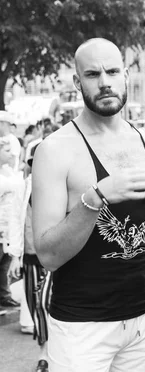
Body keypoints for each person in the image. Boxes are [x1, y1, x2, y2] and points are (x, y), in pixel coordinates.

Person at [31, 38, 145, 371]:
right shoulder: (55, 151)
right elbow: (49, 255)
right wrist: (95, 199)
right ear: (77, 82)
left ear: (125, 75)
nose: (105, 82)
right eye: (93, 74)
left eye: (112, 71)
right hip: (82, 328)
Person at [8, 143, 51, 372]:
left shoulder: (61, 184)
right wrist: (15, 256)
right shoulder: (24, 187)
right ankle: (44, 353)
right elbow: (16, 220)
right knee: (37, 307)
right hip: (32, 256)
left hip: (58, 257)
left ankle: (55, 352)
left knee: (50, 304)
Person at [0, 136, 24, 309]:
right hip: (1, 226)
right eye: (7, 151)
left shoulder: (9, 171)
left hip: (9, 226)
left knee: (5, 263)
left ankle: (4, 295)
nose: (12, 154)